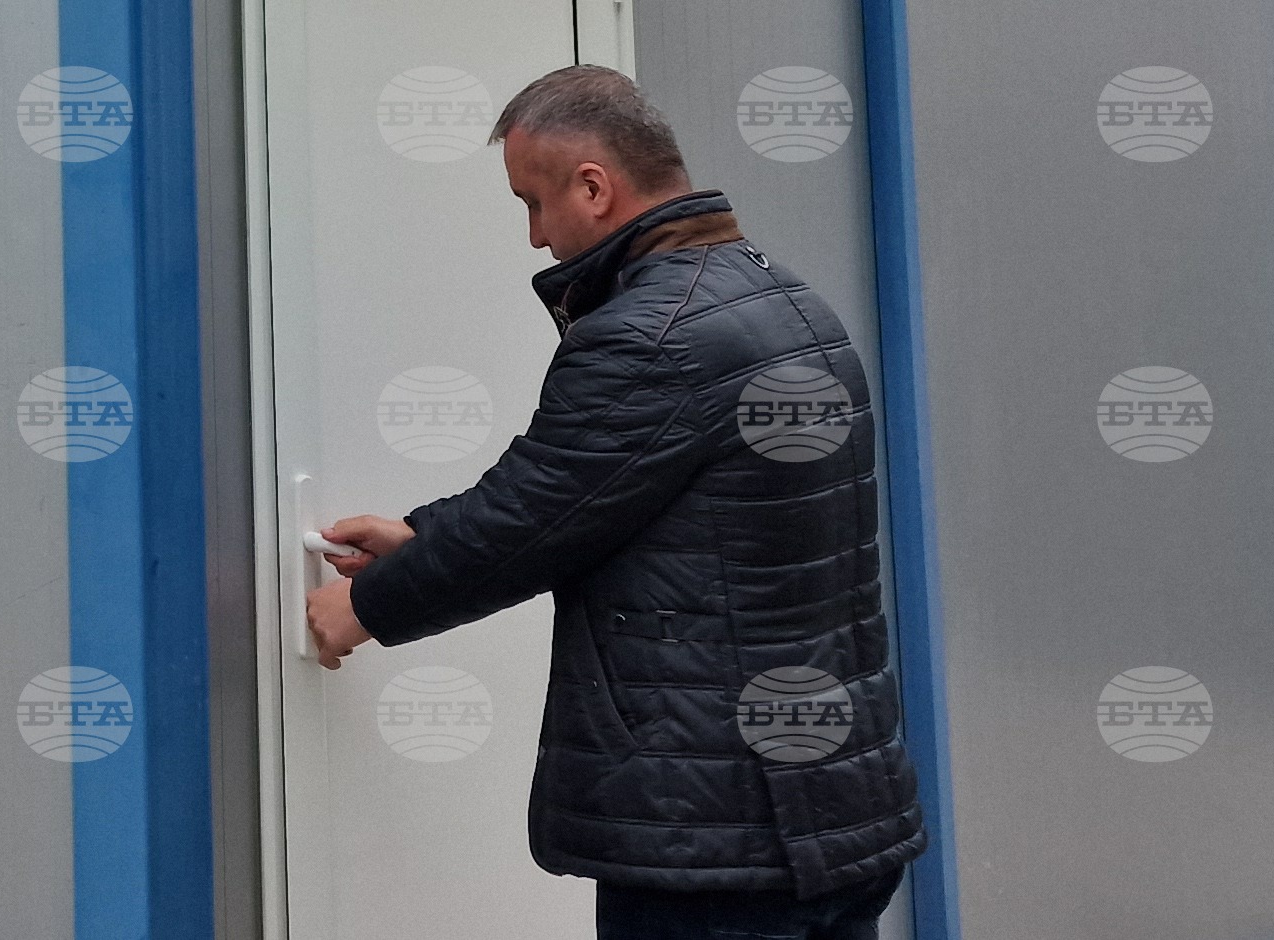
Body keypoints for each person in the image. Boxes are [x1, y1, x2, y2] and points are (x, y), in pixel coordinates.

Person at [304, 65, 923, 939]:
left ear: (594, 187)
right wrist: (420, 534)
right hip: (831, 808)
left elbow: (529, 522)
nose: (533, 235)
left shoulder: (654, 335)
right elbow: (591, 491)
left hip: (722, 843)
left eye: (533, 202)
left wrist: (364, 607)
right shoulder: (783, 300)